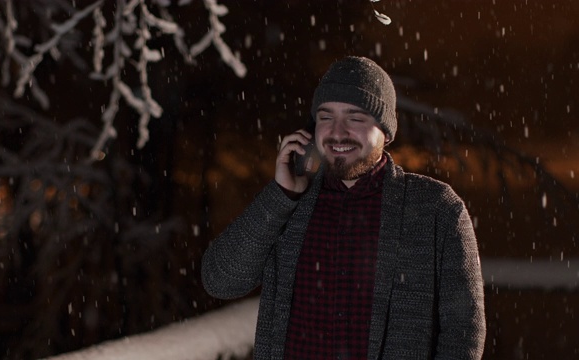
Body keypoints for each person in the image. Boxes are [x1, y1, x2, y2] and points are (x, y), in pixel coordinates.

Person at [201, 56, 486, 359]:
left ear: (385, 133)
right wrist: (281, 195)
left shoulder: (435, 208)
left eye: (355, 118)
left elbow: (463, 334)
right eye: (326, 117)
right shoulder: (290, 200)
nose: (337, 132)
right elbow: (220, 281)